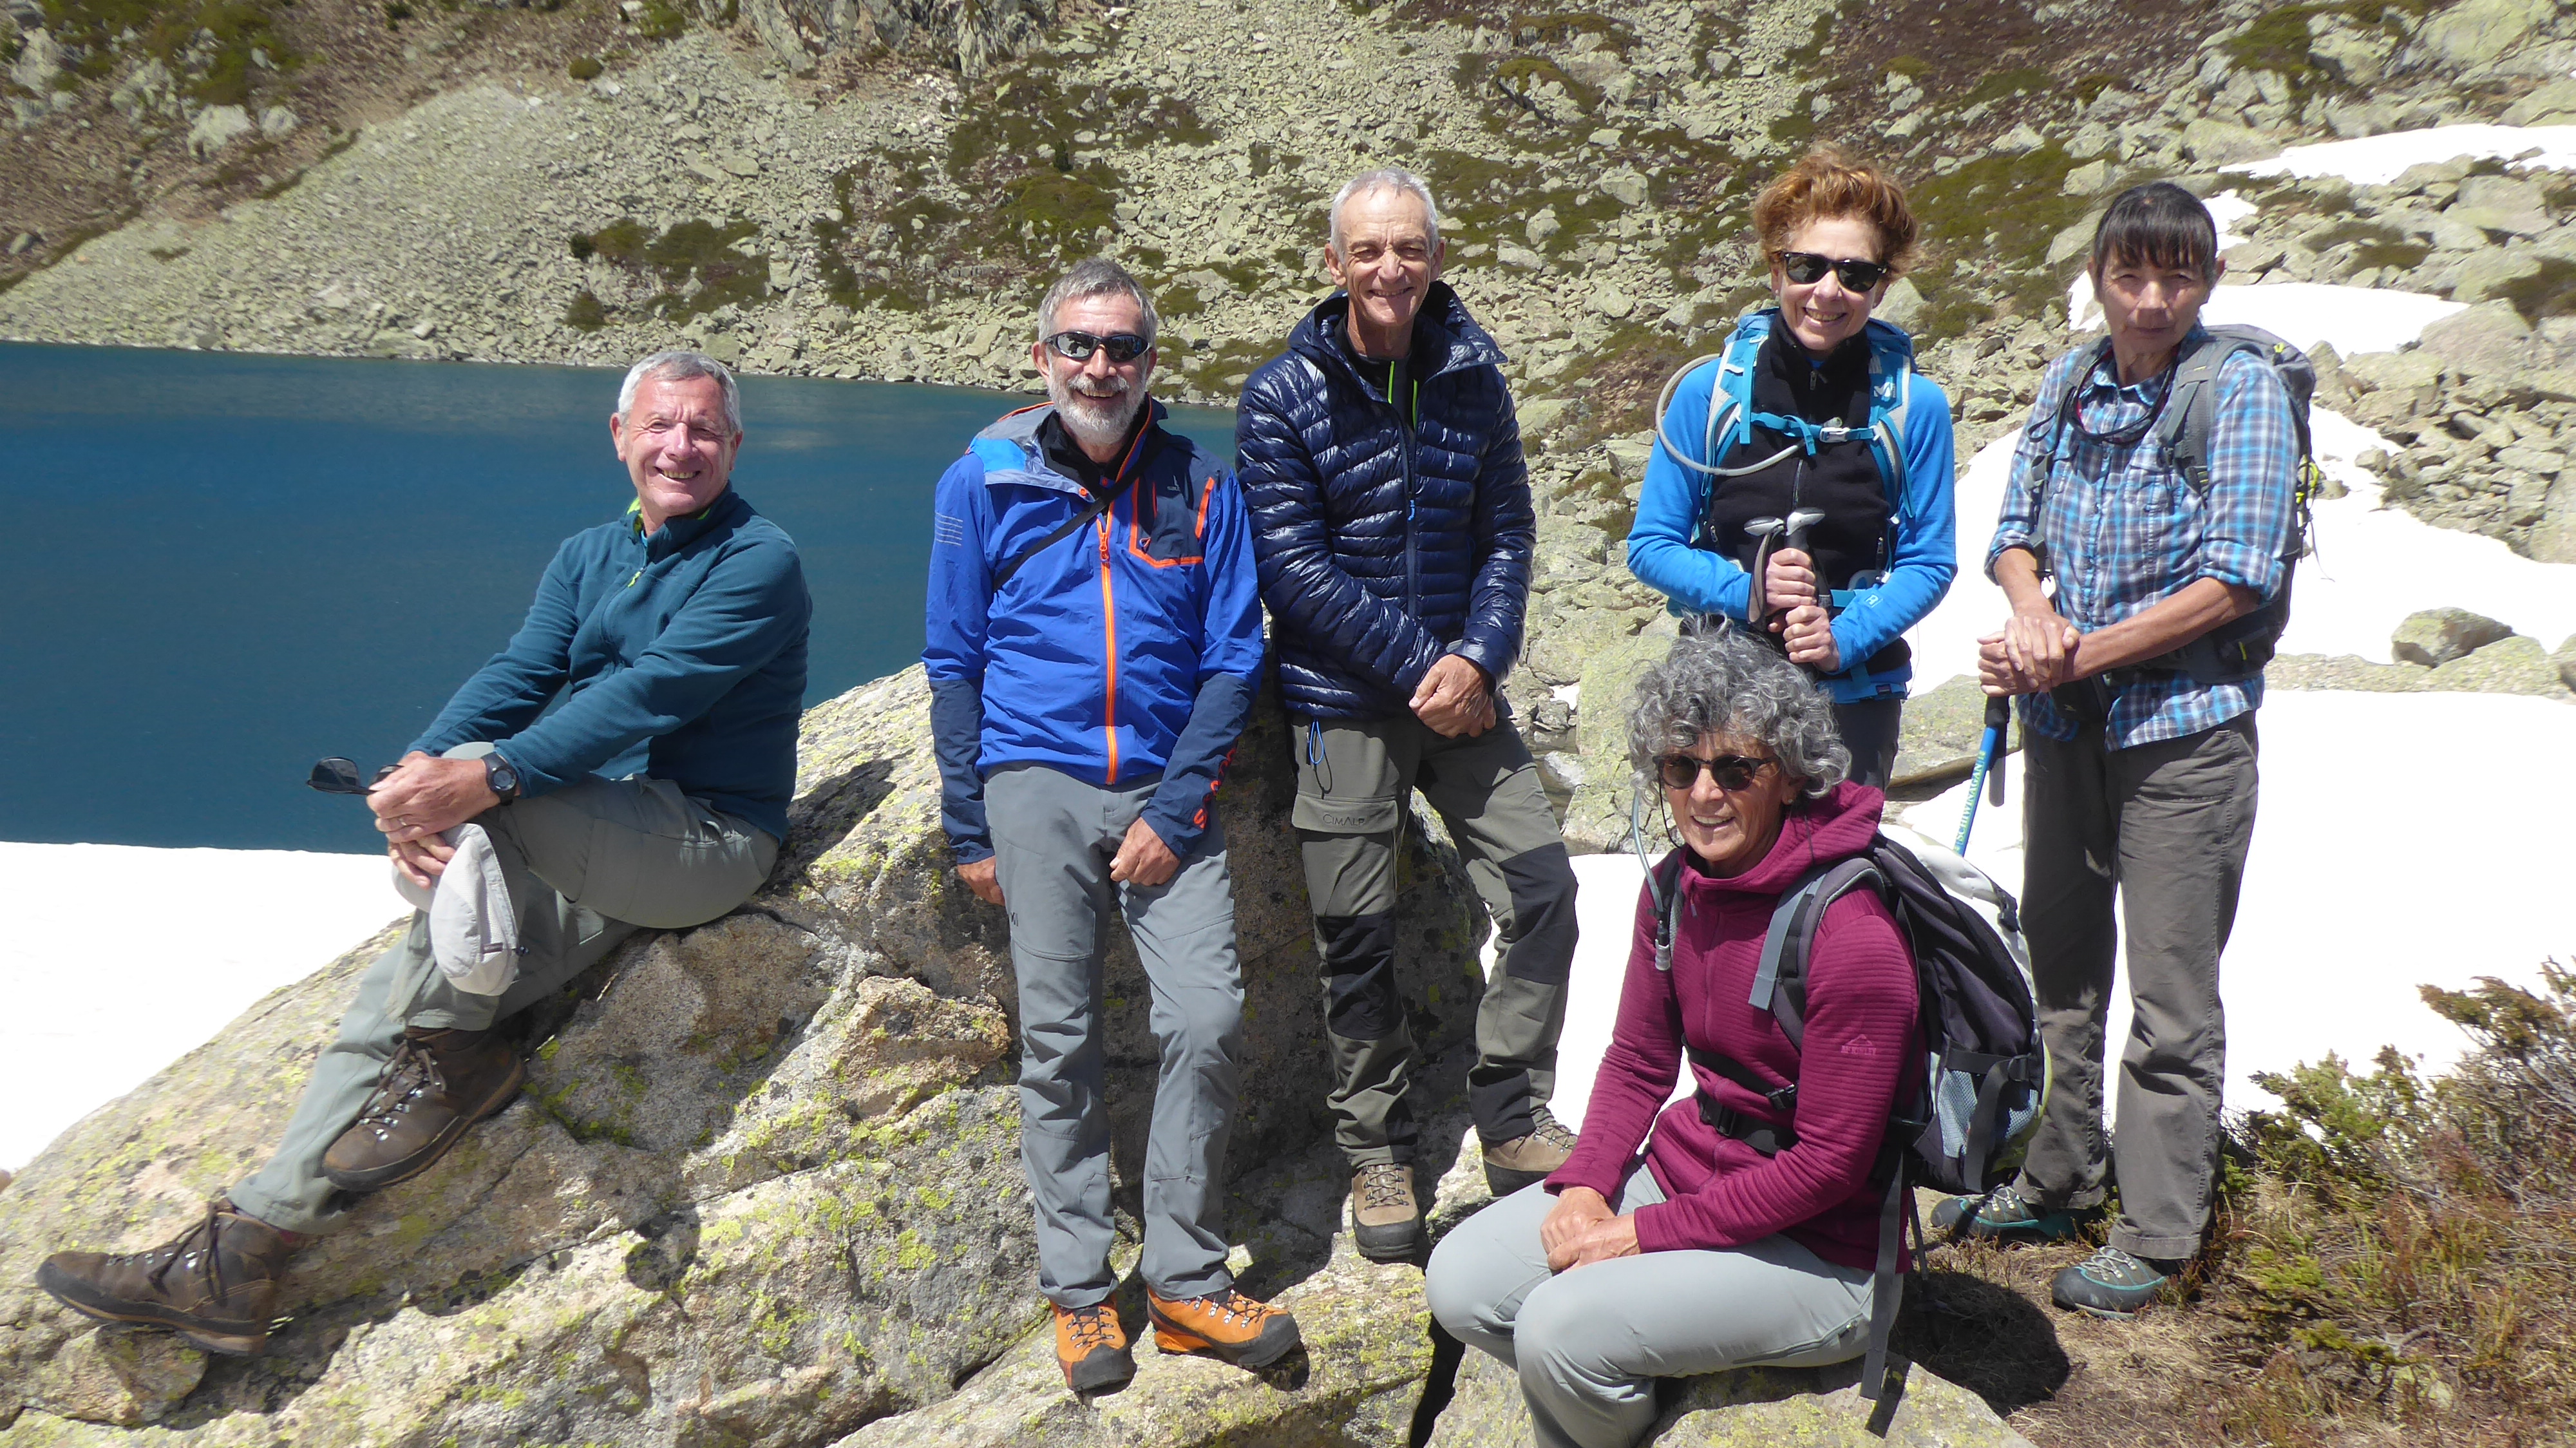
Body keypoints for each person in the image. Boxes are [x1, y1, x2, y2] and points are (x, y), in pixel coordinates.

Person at [37, 350, 811, 1357]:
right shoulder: (590, 554)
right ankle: (242, 1252)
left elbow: (648, 694)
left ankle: (459, 1063)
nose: (682, 446)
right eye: (661, 424)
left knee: (489, 808)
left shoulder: (757, 559)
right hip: (607, 840)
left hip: (708, 843)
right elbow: (520, 672)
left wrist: (478, 783)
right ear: (620, 437)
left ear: (735, 446)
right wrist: (418, 777)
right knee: (394, 996)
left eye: (704, 429)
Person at [923, 258, 1297, 1393]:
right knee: (1059, 1040)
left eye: (1122, 347)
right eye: (1078, 345)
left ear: (1150, 362)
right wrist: (969, 827)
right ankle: (1082, 1294)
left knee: (1207, 1018)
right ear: (1042, 357)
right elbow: (955, 656)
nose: (1099, 367)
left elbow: (1233, 659)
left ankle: (1183, 1281)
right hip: (1032, 780)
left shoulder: (1203, 487)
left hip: (1162, 788)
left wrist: (1176, 811)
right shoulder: (981, 481)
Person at [1937, 182, 2296, 1319]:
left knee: (2171, 989)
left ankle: (2158, 1228)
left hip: (2183, 735)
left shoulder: (2237, 391)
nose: (2149, 301)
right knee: (2064, 966)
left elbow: (2239, 576)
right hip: (2066, 729)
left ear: (2209, 280)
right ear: (2096, 276)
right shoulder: (2071, 382)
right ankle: (2059, 1175)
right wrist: (2032, 613)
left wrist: (2073, 655)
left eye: (2176, 277)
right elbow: (2013, 534)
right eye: (2129, 275)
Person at [1425, 629, 1918, 1448]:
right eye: (1680, 767)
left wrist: (1639, 1234)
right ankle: (1626, 1393)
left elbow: (1830, 1166)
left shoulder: (1851, 933)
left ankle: (1603, 1397)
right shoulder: (1673, 890)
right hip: (1691, 1175)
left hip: (1825, 1251)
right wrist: (1585, 1185)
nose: (1704, 794)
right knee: (1461, 1280)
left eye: (1736, 769)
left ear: (1790, 774)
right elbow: (1636, 1062)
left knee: (1558, 1329)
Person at [1236, 167, 1581, 1262]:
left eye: (1410, 247)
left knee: (1544, 887)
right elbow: (1291, 570)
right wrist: (1432, 663)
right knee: (1356, 934)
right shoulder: (1281, 395)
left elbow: (1508, 531)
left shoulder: (1474, 378)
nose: (1390, 268)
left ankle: (1511, 1109)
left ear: (1436, 257)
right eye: (1368, 250)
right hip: (1341, 701)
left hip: (1463, 696)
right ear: (1333, 263)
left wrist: (1481, 656)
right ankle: (1376, 1149)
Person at [1625, 148, 1956, 787]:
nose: (1828, 291)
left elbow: (1929, 561)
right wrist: (1750, 592)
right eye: (1807, 266)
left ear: (1882, 286)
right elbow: (1651, 545)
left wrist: (1842, 639)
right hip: (1719, 692)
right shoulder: (1707, 393)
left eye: (1856, 274)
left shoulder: (1915, 407)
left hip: (1853, 696)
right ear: (1776, 270)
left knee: (1839, 852)